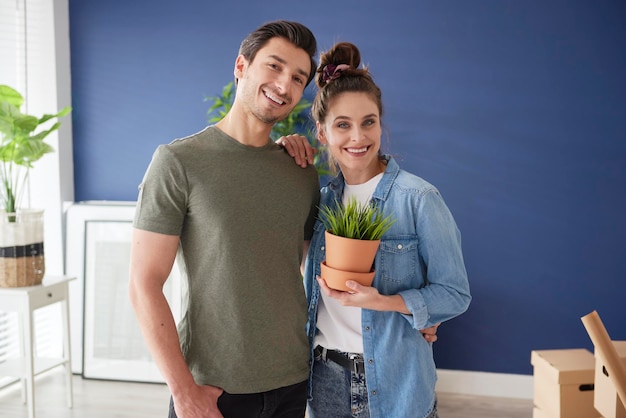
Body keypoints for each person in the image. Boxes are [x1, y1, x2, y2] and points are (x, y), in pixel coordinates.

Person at [128, 20, 321, 418]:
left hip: (292, 382)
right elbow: (143, 284)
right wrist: (183, 393)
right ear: (241, 66)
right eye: (274, 66)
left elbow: (301, 269)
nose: (284, 85)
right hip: (212, 389)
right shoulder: (178, 162)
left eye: (298, 78)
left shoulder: (300, 170)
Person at [300, 42, 472, 418]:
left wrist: (386, 301)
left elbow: (455, 293)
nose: (358, 137)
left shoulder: (418, 198)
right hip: (324, 382)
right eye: (342, 125)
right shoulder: (320, 201)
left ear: (381, 122)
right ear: (322, 133)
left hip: (399, 383)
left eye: (369, 122)